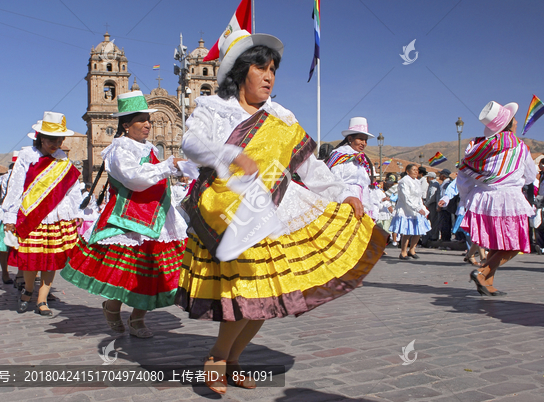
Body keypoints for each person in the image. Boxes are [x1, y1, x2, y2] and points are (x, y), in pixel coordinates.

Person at [176, 29, 387, 395]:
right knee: (245, 290)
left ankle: (233, 358)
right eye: (261, 67)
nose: (270, 75)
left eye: (273, 68)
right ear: (242, 72)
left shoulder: (282, 117)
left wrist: (341, 194)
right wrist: (228, 154)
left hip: (271, 208)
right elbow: (191, 144)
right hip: (224, 210)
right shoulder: (214, 109)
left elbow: (310, 165)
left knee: (265, 296)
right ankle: (217, 357)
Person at [61, 91, 188, 338]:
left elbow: (158, 180)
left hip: (156, 218)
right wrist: (168, 165)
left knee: (151, 274)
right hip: (128, 219)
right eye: (141, 120)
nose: (147, 124)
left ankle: (138, 319)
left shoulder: (149, 148)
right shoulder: (119, 150)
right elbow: (134, 178)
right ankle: (112, 308)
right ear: (126, 125)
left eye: (148, 119)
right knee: (124, 272)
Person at [1, 112, 82, 316]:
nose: (56, 144)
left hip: (57, 216)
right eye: (52, 140)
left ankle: (42, 300)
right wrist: (10, 216)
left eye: (60, 140)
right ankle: (28, 290)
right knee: (31, 258)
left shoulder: (63, 160)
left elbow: (73, 189)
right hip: (32, 215)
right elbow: (16, 187)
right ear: (41, 138)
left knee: (51, 259)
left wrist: (77, 211)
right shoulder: (27, 157)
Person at [459, 101, 536, 296]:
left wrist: (466, 199)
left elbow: (463, 177)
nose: (517, 122)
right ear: (509, 123)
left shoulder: (477, 147)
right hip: (508, 199)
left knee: (496, 244)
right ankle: (482, 273)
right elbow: (530, 176)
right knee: (514, 245)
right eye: (514, 119)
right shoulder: (518, 146)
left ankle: (487, 283)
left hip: (483, 200)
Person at [327, 117, 380, 220]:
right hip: (344, 203)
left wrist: (372, 209)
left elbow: (367, 186)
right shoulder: (339, 156)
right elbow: (334, 181)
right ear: (350, 139)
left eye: (365, 140)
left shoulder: (362, 161)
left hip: (362, 205)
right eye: (360, 139)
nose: (363, 143)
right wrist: (346, 197)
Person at [390, 164, 431, 259]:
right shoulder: (403, 181)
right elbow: (406, 197)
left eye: (417, 170)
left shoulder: (417, 182)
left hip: (417, 209)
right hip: (406, 209)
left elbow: (419, 197)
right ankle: (403, 252)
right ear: (408, 171)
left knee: (418, 231)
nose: (416, 172)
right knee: (407, 231)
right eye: (413, 170)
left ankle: (412, 249)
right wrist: (416, 208)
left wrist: (423, 209)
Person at [422, 171, 440, 245]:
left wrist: (427, 204)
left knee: (434, 221)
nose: (426, 179)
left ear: (431, 178)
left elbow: (432, 196)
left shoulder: (434, 185)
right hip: (431, 204)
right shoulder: (431, 184)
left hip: (432, 204)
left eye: (427, 177)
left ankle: (434, 236)